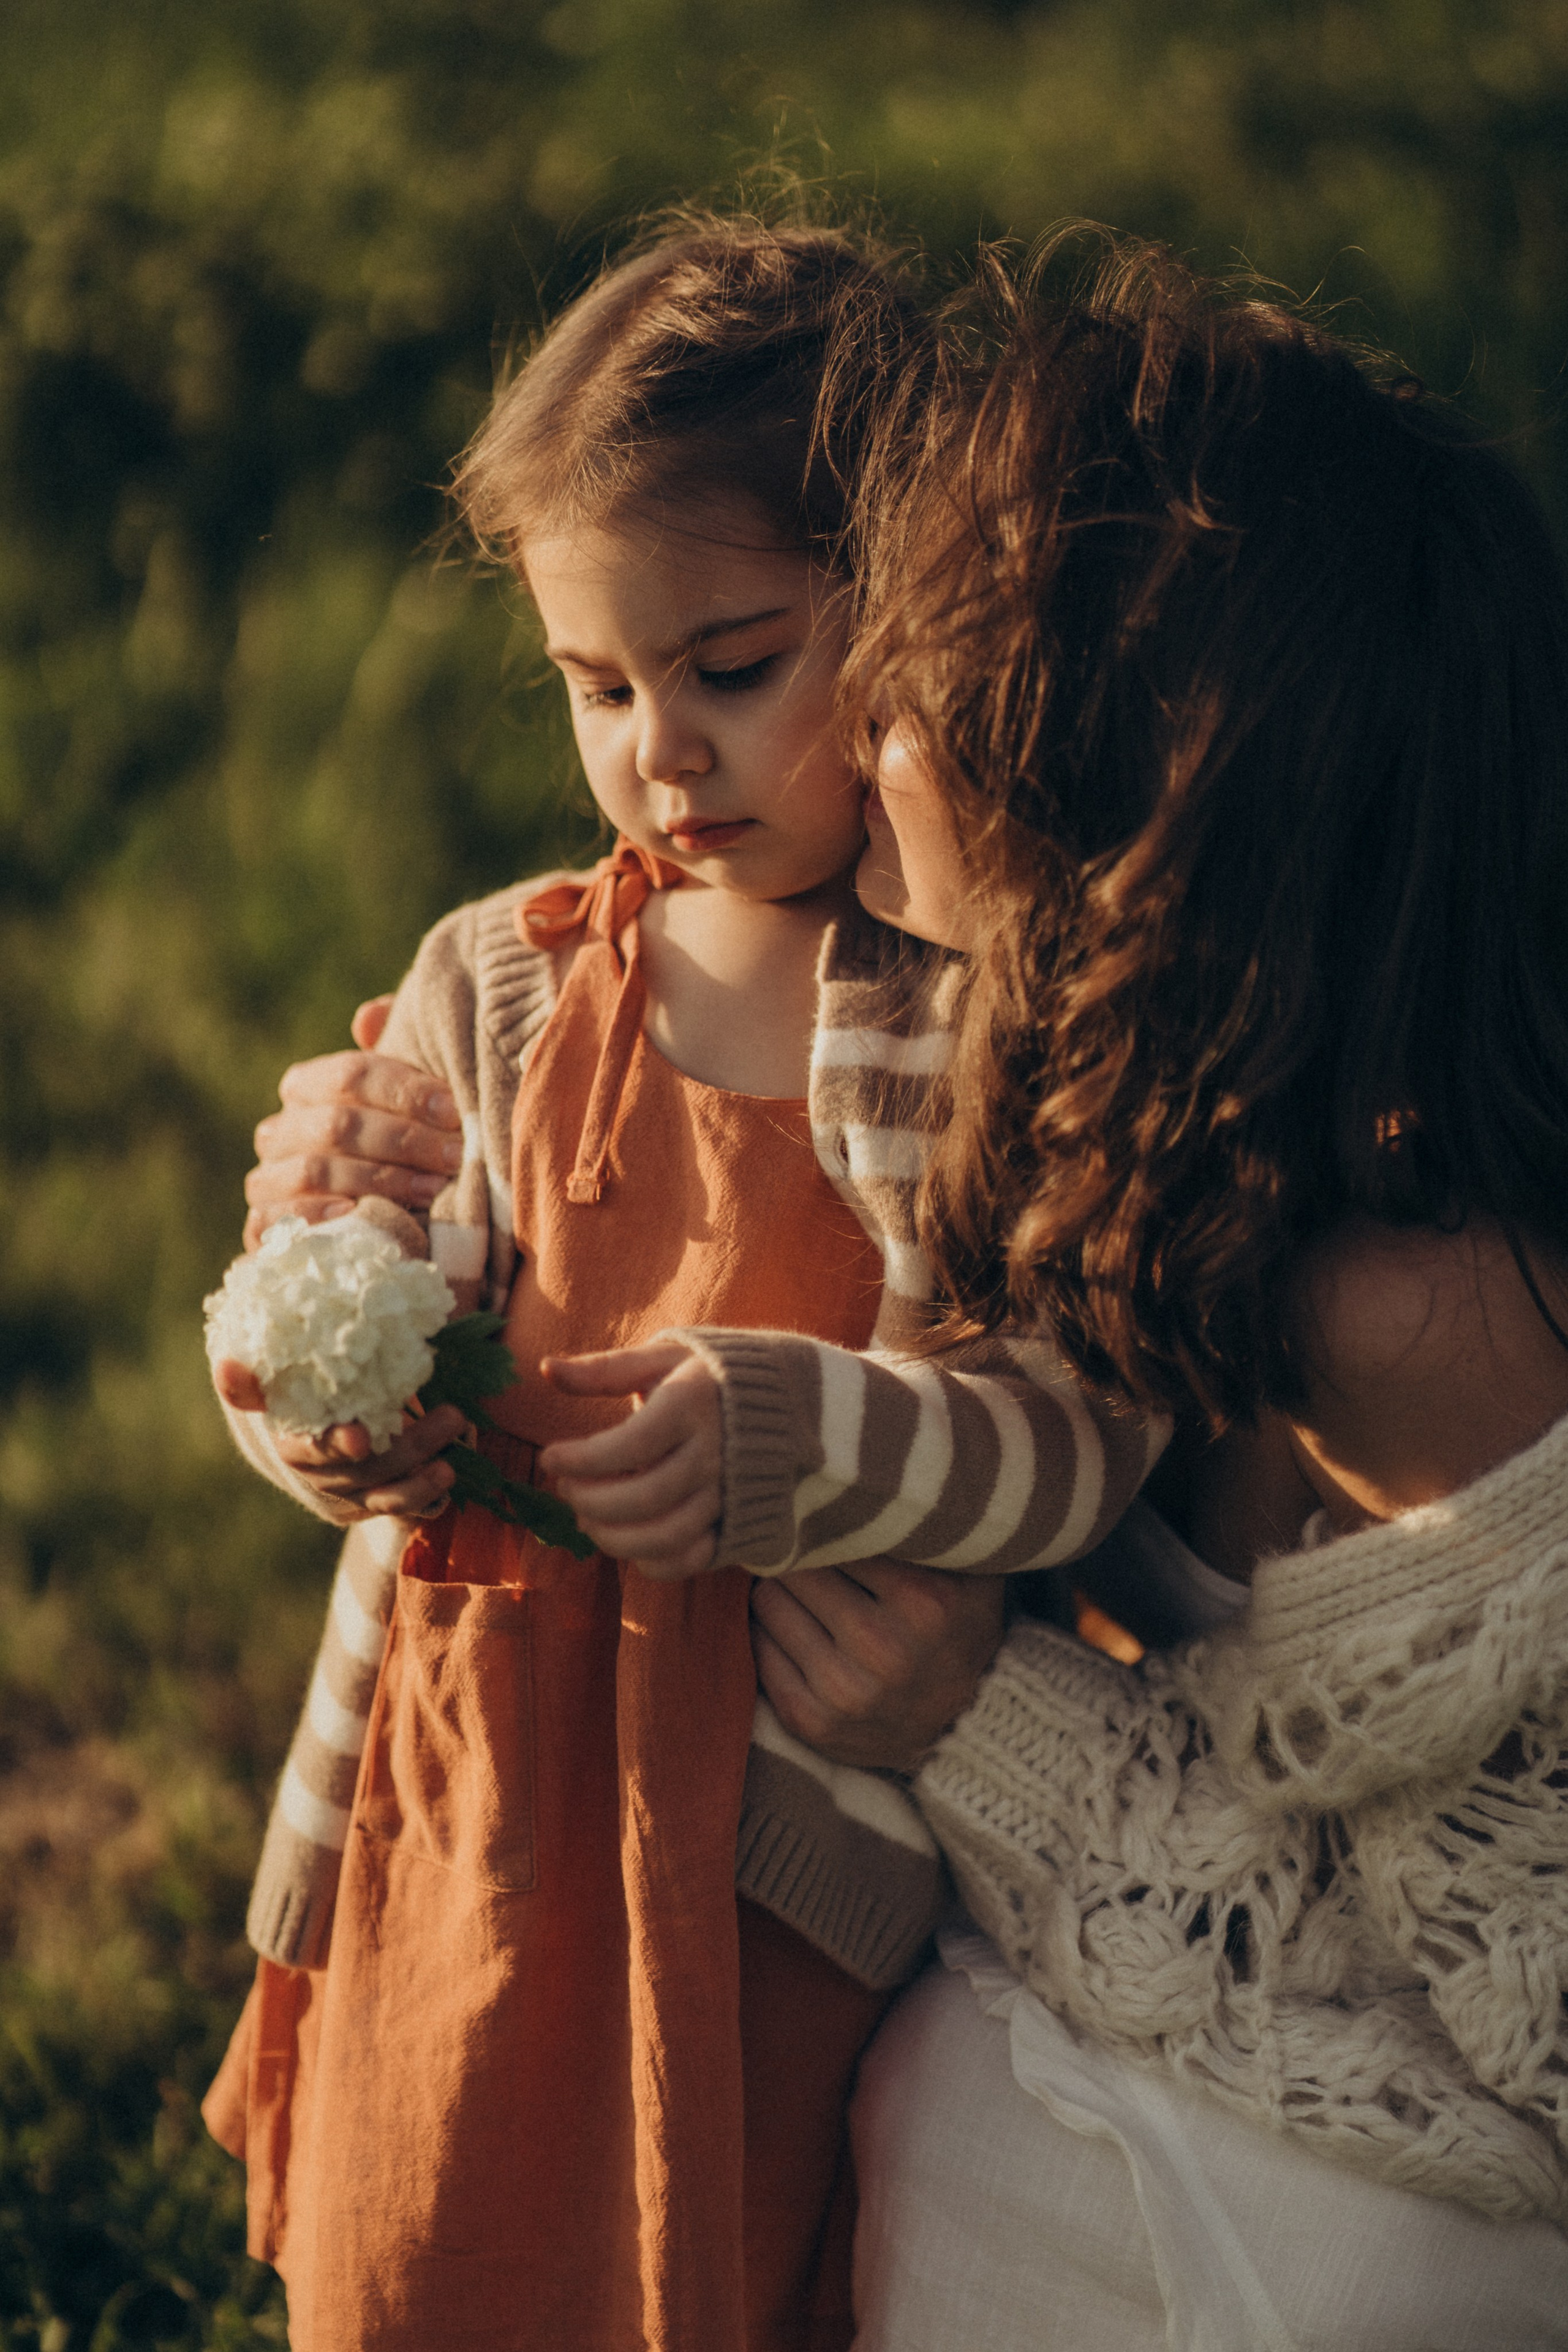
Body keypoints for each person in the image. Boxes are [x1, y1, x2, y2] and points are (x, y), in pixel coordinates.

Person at [202, 218, 1162, 2352]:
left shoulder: (962, 1019)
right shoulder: (503, 978)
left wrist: (809, 1442)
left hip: (755, 1853)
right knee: (423, 2226)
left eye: (736, 666)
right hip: (459, 1792)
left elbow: (1081, 1438)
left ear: (903, 615)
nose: (661, 750)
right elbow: (338, 1294)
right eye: (597, 684)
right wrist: (325, 1409)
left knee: (705, 2263)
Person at [833, 235, 1568, 2348]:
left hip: (1435, 2207)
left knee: (977, 2106)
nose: (860, 716)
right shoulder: (1099, 1070)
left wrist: (986, 1726)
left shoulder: (1426, 1322)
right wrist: (379, 1128)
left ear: (1117, 798)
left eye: (942, 681)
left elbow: (1527, 2061)